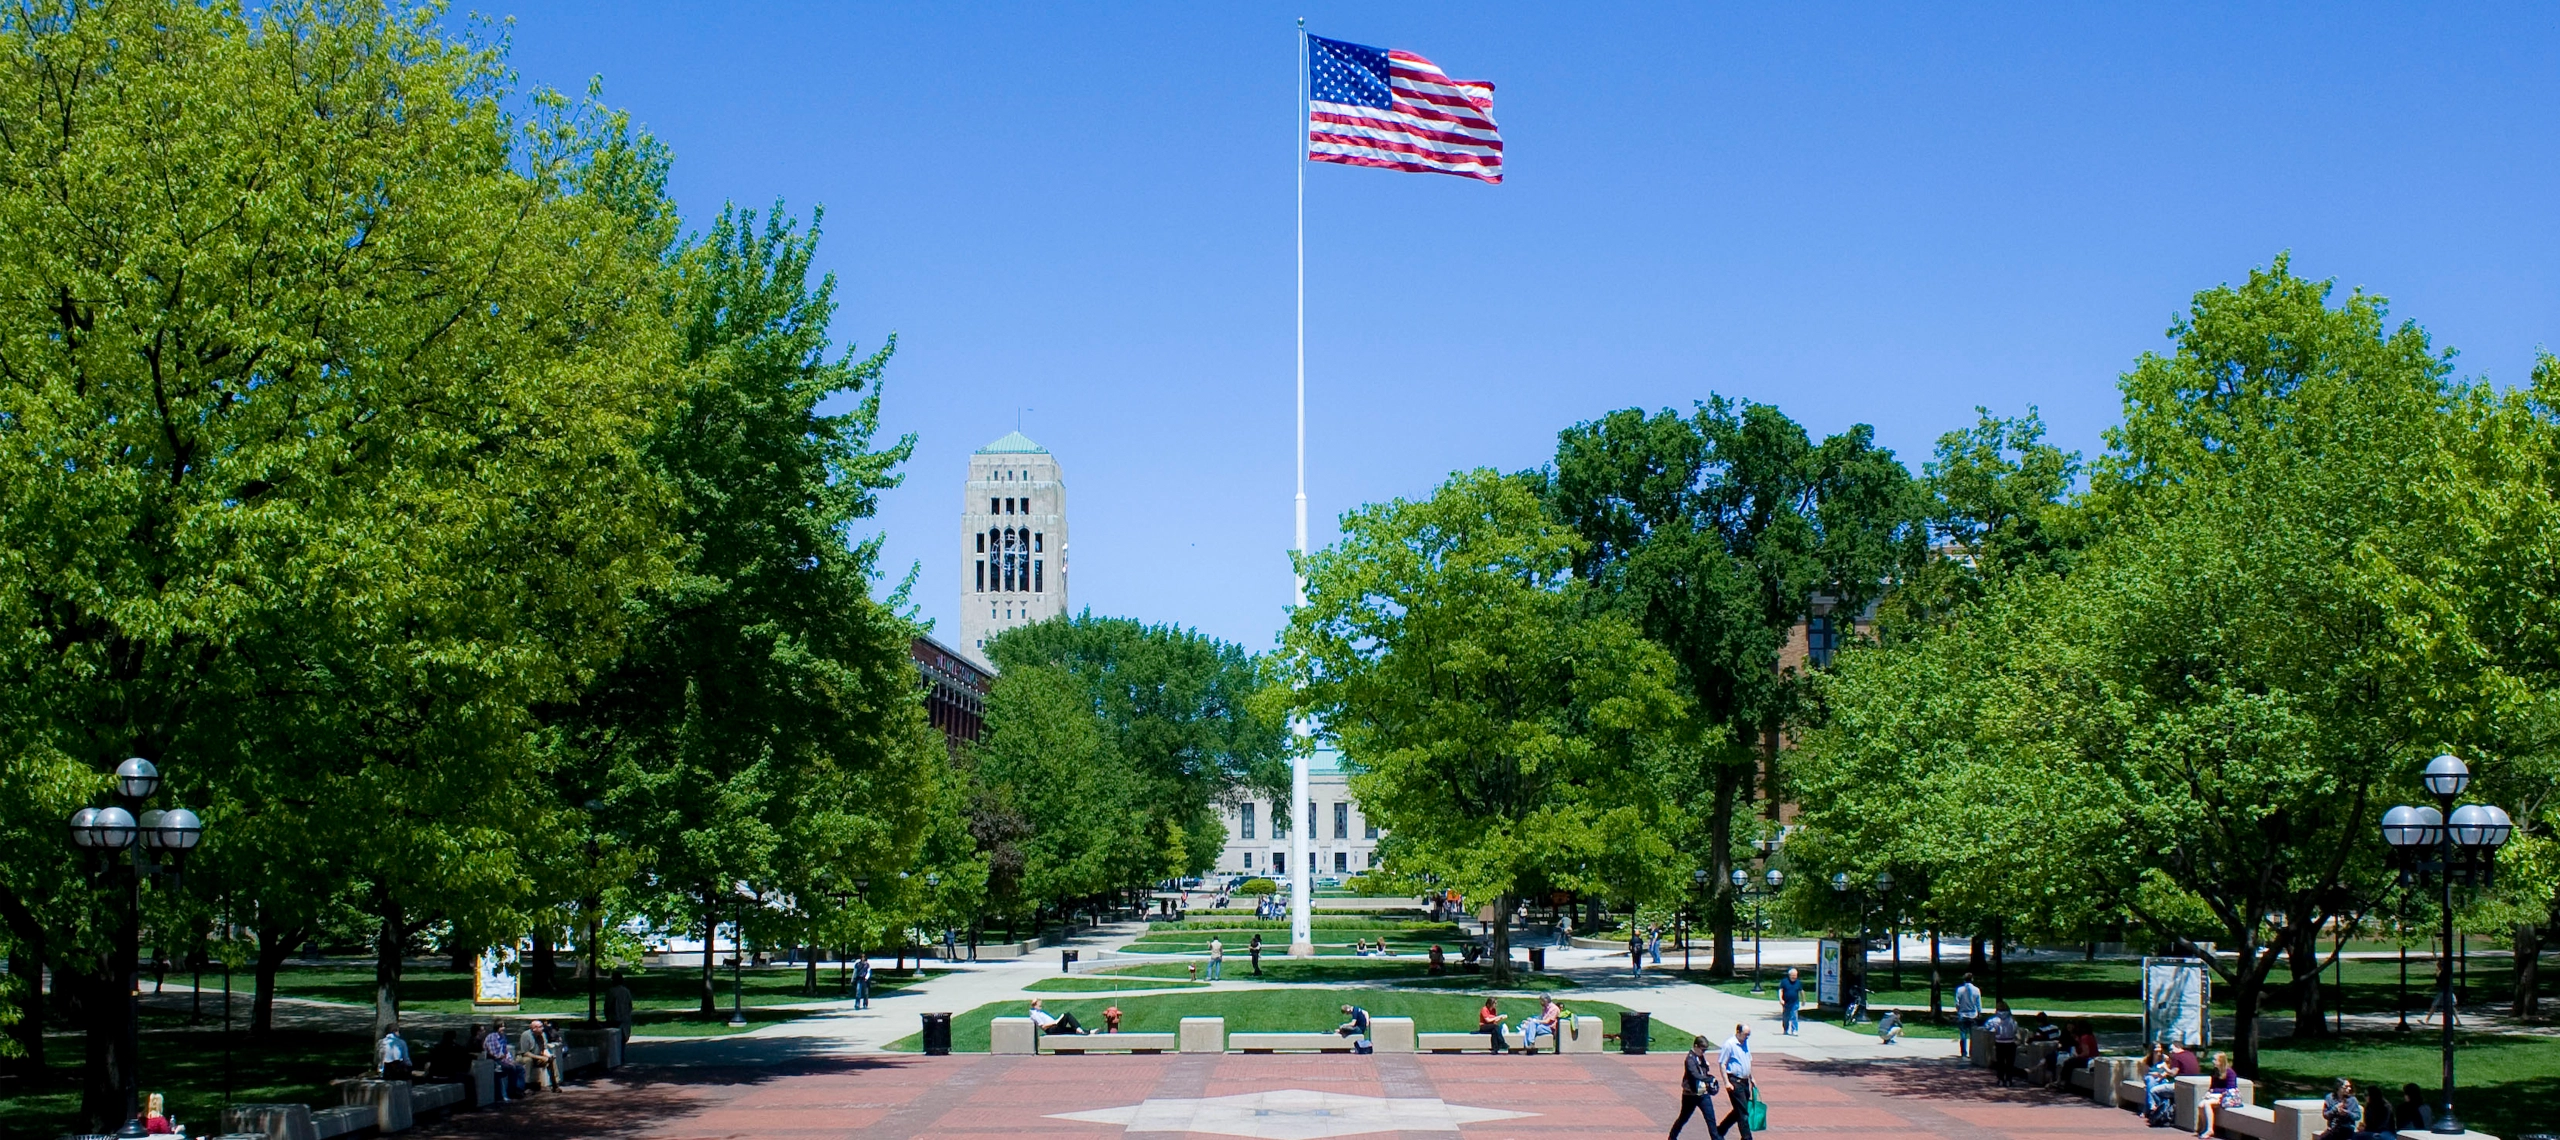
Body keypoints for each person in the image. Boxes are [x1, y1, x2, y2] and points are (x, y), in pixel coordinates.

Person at [1669, 1034, 1720, 1140]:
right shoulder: (1690, 1060)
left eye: (1705, 1050)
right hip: (1690, 1095)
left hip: (1703, 1094)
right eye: (1702, 1050)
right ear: (1696, 1046)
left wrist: (1708, 1073)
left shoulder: (1700, 1057)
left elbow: (1703, 1072)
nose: (1703, 1052)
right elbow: (1695, 1075)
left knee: (1711, 1120)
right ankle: (1672, 1137)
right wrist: (1708, 1079)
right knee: (1683, 1118)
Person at [1716, 1023, 1756, 1140]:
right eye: (1745, 1034)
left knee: (1740, 1109)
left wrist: (1751, 1077)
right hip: (1735, 1081)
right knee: (1743, 1113)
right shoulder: (1729, 1044)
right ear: (1738, 1032)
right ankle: (1747, 1137)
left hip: (1745, 1081)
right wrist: (1726, 1082)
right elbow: (1722, 1064)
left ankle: (1720, 1130)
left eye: (1749, 1035)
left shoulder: (1745, 1043)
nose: (1747, 1037)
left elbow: (1747, 1061)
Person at [2194, 1052, 2241, 1137]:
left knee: (2207, 1104)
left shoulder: (2230, 1072)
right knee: (2200, 1105)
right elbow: (2213, 1086)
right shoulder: (2215, 1071)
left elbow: (2230, 1088)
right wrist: (2209, 1092)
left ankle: (2210, 1129)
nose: (2212, 1061)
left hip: (2227, 1096)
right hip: (2216, 1095)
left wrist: (2215, 1091)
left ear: (2221, 1061)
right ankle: (2204, 1127)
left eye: (2215, 1059)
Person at [484, 1022, 524, 1101]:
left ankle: (519, 1089)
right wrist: (505, 1059)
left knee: (520, 1068)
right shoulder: (491, 1037)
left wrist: (509, 1060)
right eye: (501, 1027)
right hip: (495, 1060)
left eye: (504, 1026)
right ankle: (511, 1092)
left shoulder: (503, 1036)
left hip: (503, 1059)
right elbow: (493, 1053)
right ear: (497, 1028)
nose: (504, 1028)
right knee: (511, 1068)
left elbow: (505, 1051)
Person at [519, 1018, 559, 1092]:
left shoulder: (543, 1035)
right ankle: (527, 1085)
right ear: (534, 1028)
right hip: (524, 1057)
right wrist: (541, 1057)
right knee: (528, 1060)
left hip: (538, 1057)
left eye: (542, 1026)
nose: (542, 1028)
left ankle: (555, 1084)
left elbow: (544, 1049)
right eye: (540, 1027)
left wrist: (549, 1056)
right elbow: (525, 1053)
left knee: (551, 1060)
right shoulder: (526, 1035)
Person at [2141, 1043, 2177, 1127]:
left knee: (2162, 1083)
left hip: (2163, 1077)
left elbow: (2168, 1071)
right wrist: (2154, 1074)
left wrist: (2161, 1076)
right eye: (2156, 1048)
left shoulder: (2165, 1058)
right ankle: (2152, 1106)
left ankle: (2152, 1108)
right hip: (2151, 1077)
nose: (2158, 1050)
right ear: (2152, 1049)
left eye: (2159, 1048)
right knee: (2150, 1081)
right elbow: (2145, 1073)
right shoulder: (2147, 1060)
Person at [1988, 1001, 2021, 1088]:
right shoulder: (2012, 1020)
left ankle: (2000, 1079)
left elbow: (1989, 1028)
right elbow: (2015, 1030)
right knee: (2010, 1063)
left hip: (1999, 1043)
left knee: (2000, 1062)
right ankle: (2009, 1080)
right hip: (2010, 1043)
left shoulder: (1995, 1020)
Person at [1952, 973, 1982, 1059]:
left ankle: (1964, 1053)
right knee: (1973, 1036)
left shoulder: (1959, 990)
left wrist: (1958, 1011)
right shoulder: (1976, 990)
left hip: (1962, 1014)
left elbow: (1957, 1003)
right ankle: (1972, 1053)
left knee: (1963, 1035)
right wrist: (1979, 1012)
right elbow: (1978, 1003)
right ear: (1972, 979)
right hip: (1973, 1015)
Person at [607, 970, 637, 1041]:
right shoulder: (626, 991)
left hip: (614, 1020)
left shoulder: (611, 992)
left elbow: (607, 1006)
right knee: (623, 1038)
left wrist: (608, 1017)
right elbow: (630, 1005)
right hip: (625, 1018)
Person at [1777, 968, 1803, 1036]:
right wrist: (1781, 999)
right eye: (1793, 975)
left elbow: (1801, 991)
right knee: (1786, 1017)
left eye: (1796, 975)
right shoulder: (1784, 981)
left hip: (1795, 1002)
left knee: (1794, 1015)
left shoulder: (1798, 982)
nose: (1794, 977)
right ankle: (1785, 1029)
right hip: (1786, 1002)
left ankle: (1794, 1030)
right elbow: (1780, 990)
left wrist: (1803, 1000)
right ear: (1789, 975)